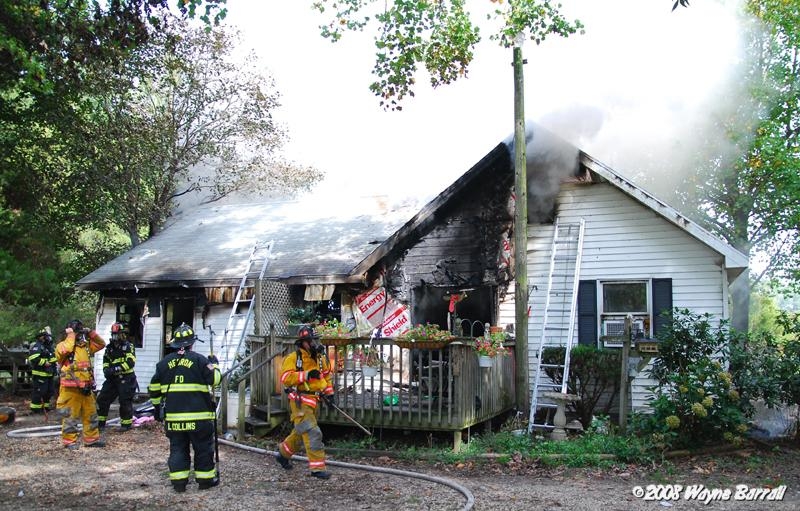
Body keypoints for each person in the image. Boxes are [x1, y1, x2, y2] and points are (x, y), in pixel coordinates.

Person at [148, 323, 221, 493]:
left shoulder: (163, 363)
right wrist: (215, 365)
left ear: (175, 344)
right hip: (200, 418)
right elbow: (215, 380)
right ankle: (205, 481)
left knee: (178, 449)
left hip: (174, 419)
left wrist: (157, 408)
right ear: (191, 343)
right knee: (203, 448)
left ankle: (179, 483)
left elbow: (154, 389)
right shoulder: (200, 360)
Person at [274, 325, 335, 479]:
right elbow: (285, 378)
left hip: (315, 402)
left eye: (315, 340)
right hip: (300, 402)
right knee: (313, 432)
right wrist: (306, 375)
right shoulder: (294, 358)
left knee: (301, 432)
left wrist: (330, 394)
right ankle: (317, 468)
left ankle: (282, 453)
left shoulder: (320, 358)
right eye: (310, 341)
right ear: (303, 342)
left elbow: (326, 376)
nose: (314, 343)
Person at [55, 319, 106, 449]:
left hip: (86, 388)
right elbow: (66, 349)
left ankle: (91, 440)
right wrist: (71, 334)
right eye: (77, 332)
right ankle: (69, 441)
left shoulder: (85, 346)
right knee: (70, 416)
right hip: (70, 389)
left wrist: (91, 333)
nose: (79, 335)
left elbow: (101, 344)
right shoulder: (62, 345)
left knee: (91, 414)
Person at [97, 322, 138, 431]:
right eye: (114, 334)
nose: (116, 337)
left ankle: (126, 425)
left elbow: (130, 362)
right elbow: (106, 361)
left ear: (123, 334)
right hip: (112, 379)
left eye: (118, 334)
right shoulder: (109, 348)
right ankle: (101, 423)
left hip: (126, 378)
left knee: (125, 401)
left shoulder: (128, 346)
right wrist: (106, 370)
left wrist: (116, 369)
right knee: (102, 399)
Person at [27, 328, 57, 414]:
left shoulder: (49, 347)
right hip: (40, 374)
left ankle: (45, 407)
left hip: (49, 374)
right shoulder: (38, 346)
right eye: (46, 336)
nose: (48, 338)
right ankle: (36, 409)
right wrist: (44, 363)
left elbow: (53, 359)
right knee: (39, 392)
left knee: (49, 392)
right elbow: (33, 358)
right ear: (41, 337)